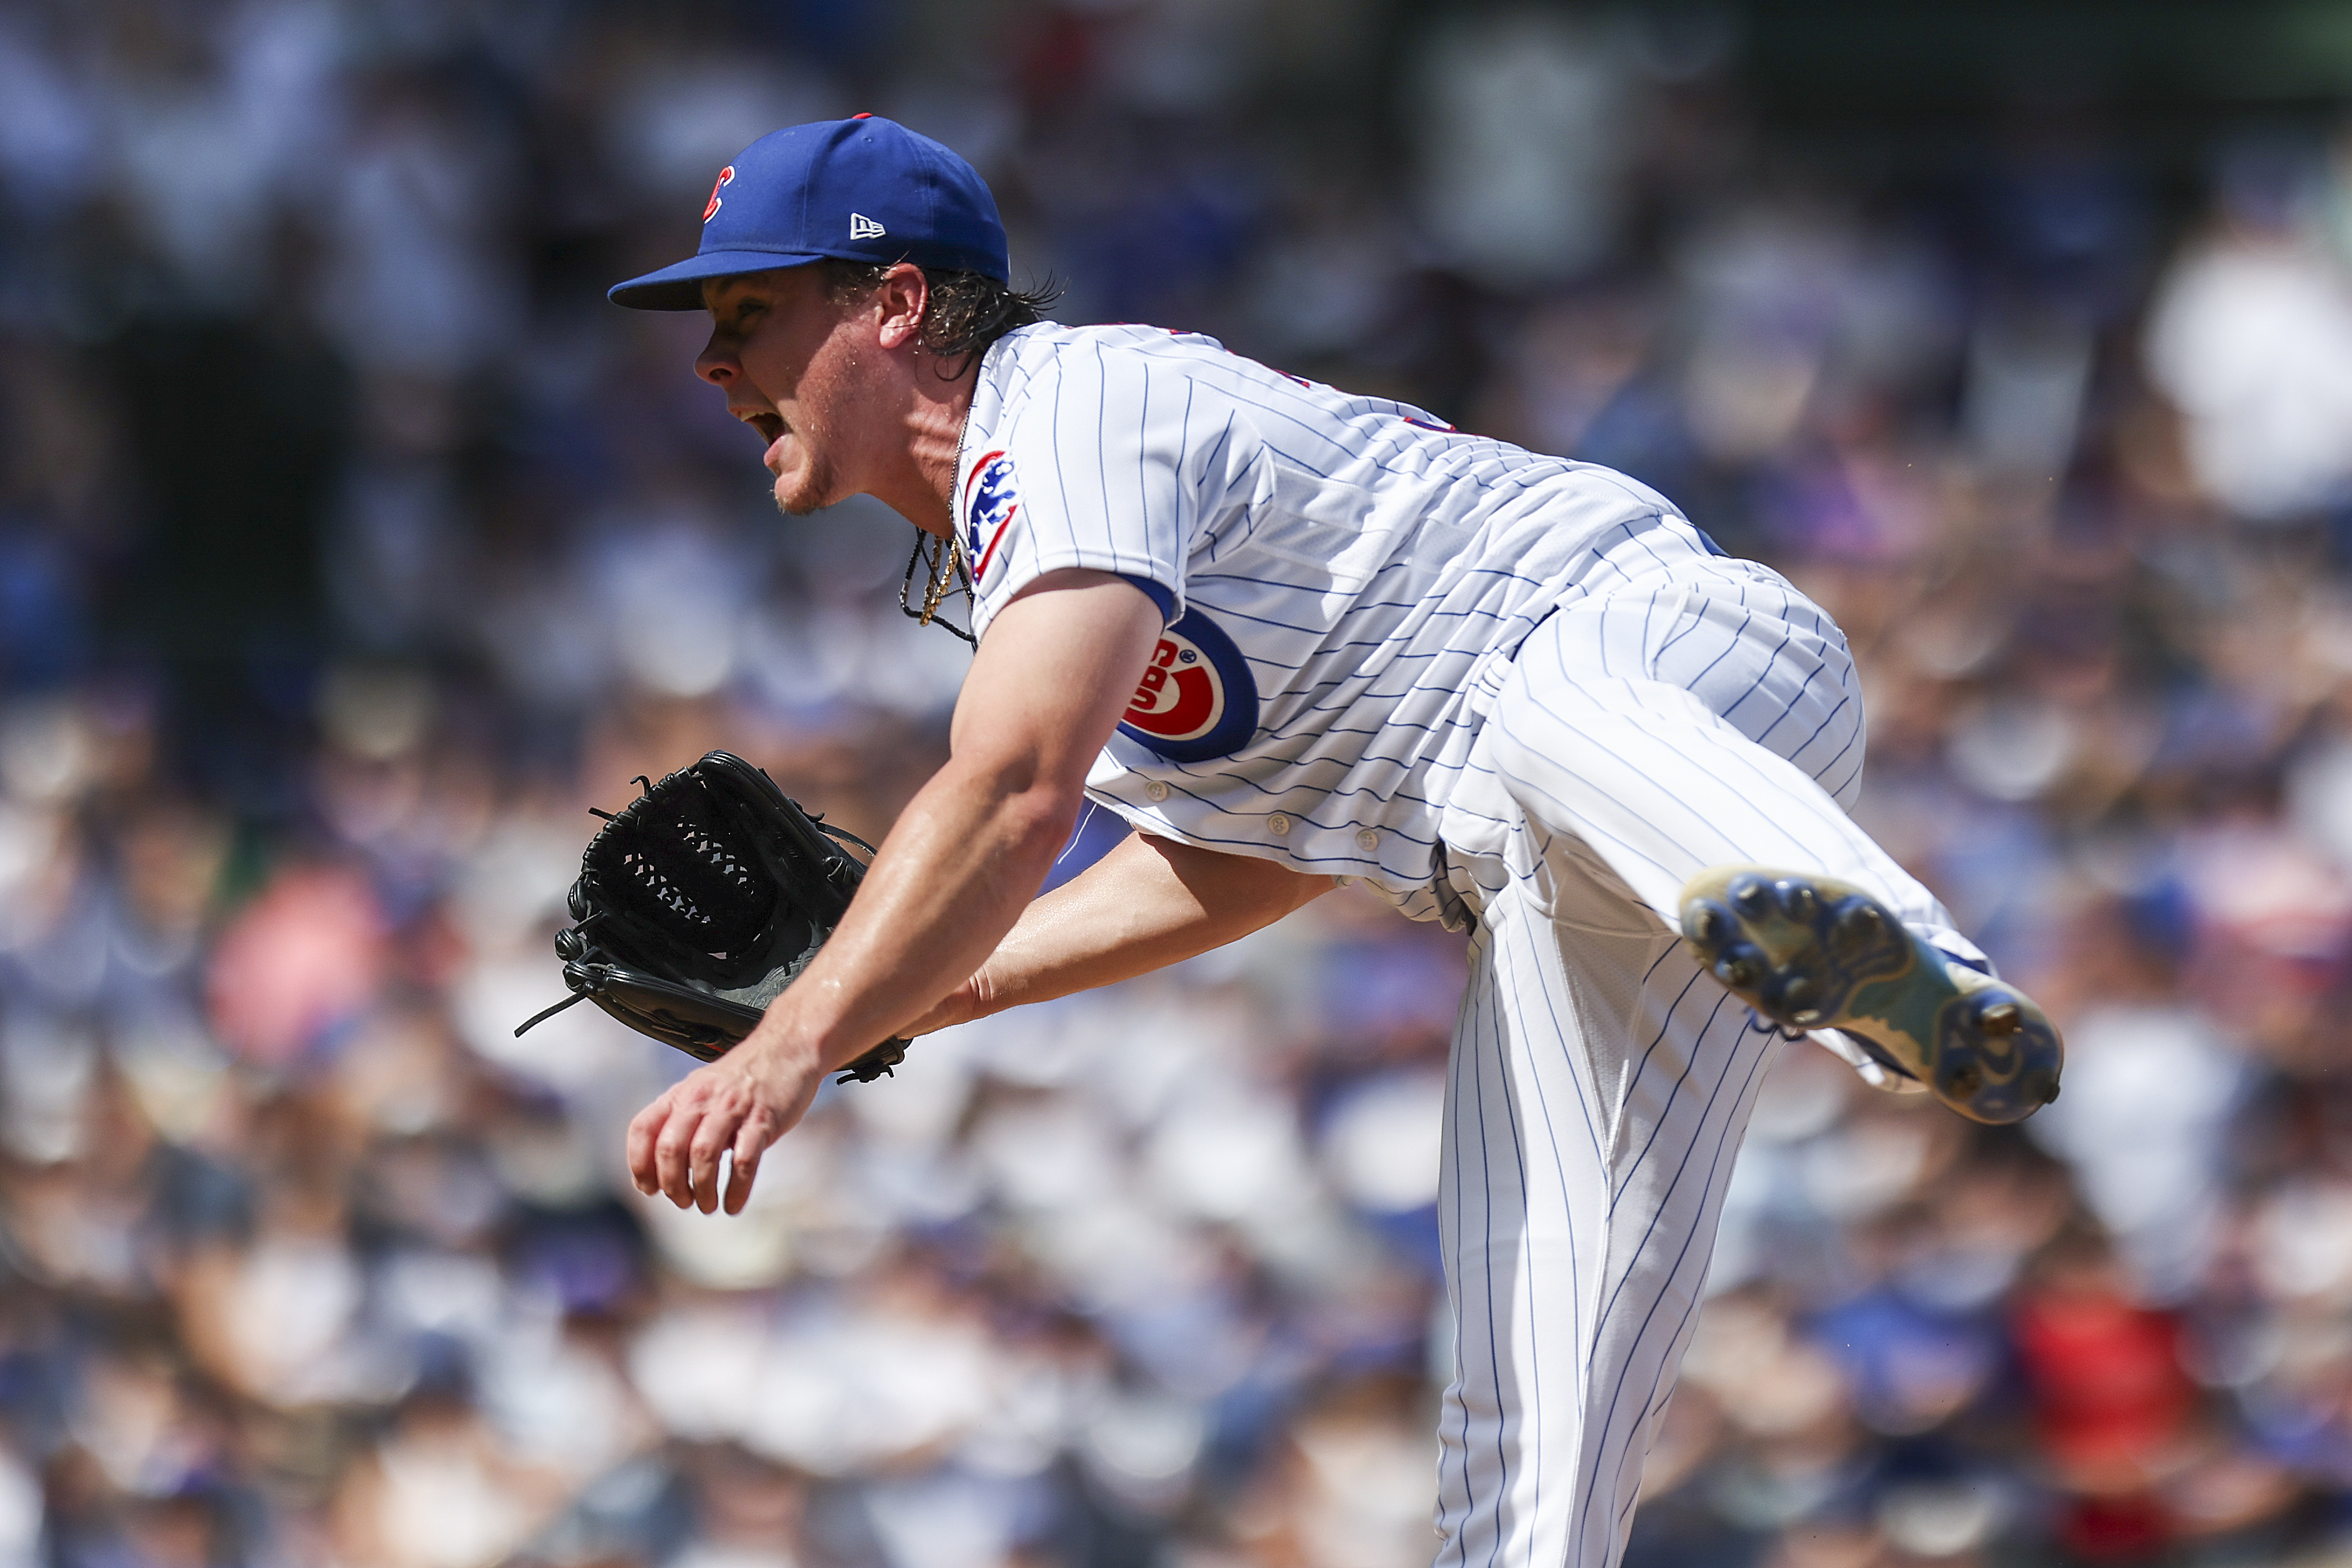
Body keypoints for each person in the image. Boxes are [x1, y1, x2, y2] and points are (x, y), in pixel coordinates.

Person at [608, 117, 2063, 1567]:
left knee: (1550, 724)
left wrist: (801, 1031)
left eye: (752, 311)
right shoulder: (1041, 577)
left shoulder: (1073, 403)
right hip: (1546, 852)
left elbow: (1007, 791)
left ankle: (1883, 951)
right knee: (1530, 1358)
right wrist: (932, 982)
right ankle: (1818, 940)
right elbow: (1248, 849)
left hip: (1665, 654)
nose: (712, 360)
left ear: (896, 303)